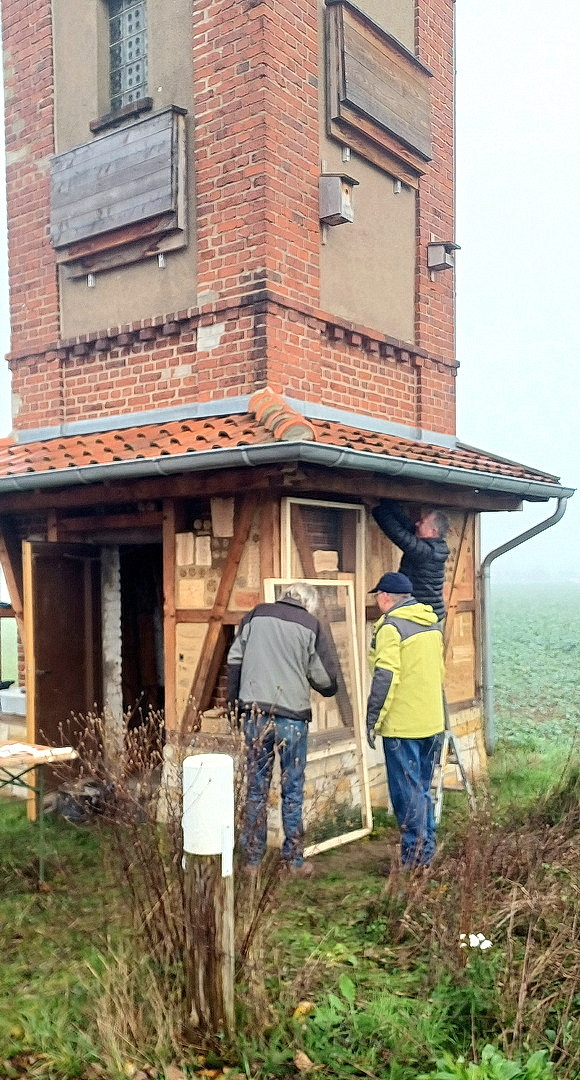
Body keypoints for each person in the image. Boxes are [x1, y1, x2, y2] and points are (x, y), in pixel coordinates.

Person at [227, 582, 338, 876]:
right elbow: (324, 677)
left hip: (255, 715)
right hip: (292, 718)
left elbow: (234, 658)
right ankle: (293, 861)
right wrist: (325, 687)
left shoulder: (254, 615)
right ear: (308, 603)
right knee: (292, 789)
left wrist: (233, 702)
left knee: (256, 787)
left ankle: (252, 861)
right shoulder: (310, 624)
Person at [366, 571, 445, 870]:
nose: (377, 601)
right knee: (422, 789)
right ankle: (427, 854)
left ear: (386, 597)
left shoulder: (390, 627)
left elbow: (386, 677)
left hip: (404, 725)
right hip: (432, 722)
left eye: (377, 596)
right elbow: (440, 672)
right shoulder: (432, 623)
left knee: (406, 793)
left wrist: (373, 719)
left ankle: (412, 860)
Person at [371, 500, 450, 620]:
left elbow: (398, 534)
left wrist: (377, 507)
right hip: (427, 612)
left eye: (422, 522)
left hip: (424, 617)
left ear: (432, 532)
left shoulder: (426, 551)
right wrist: (387, 502)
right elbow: (407, 525)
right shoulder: (434, 546)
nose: (417, 524)